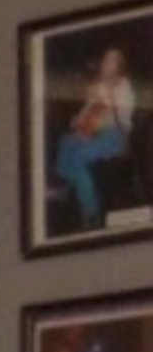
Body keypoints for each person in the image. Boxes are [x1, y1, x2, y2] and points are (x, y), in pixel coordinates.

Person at [54, 40, 138, 233]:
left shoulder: (124, 88)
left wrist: (110, 98)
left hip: (115, 136)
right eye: (105, 60)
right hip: (95, 133)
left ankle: (91, 212)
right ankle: (69, 185)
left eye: (111, 61)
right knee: (65, 142)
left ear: (119, 67)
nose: (105, 64)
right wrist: (81, 118)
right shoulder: (98, 87)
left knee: (78, 156)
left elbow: (122, 122)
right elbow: (80, 121)